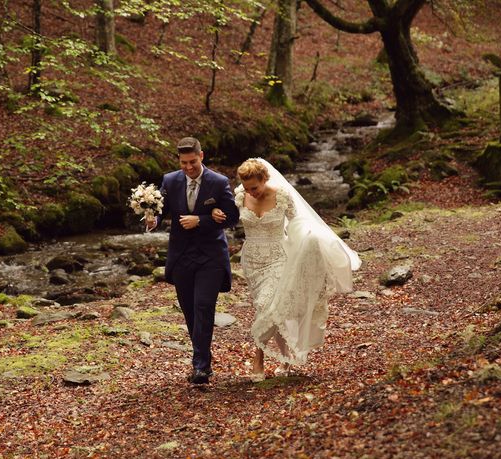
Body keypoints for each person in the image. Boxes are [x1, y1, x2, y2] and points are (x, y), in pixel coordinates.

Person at [212, 158, 361, 381]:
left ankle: (258, 358)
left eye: (255, 187)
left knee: (268, 305)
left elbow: (298, 223)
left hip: (278, 256)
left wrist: (310, 242)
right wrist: (216, 212)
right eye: (247, 187)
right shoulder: (241, 194)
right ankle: (284, 357)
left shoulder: (281, 195)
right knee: (273, 308)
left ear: (265, 179)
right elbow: (229, 217)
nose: (251, 192)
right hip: (252, 260)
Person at [147, 137, 240, 384]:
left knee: (203, 306)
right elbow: (160, 210)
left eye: (192, 161)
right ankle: (203, 356)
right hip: (181, 256)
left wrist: (202, 220)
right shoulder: (169, 180)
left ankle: (201, 366)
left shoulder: (219, 183)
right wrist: (152, 221)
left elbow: (232, 217)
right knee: (189, 311)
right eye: (183, 162)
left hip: (210, 256)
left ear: (202, 156)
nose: (188, 167)